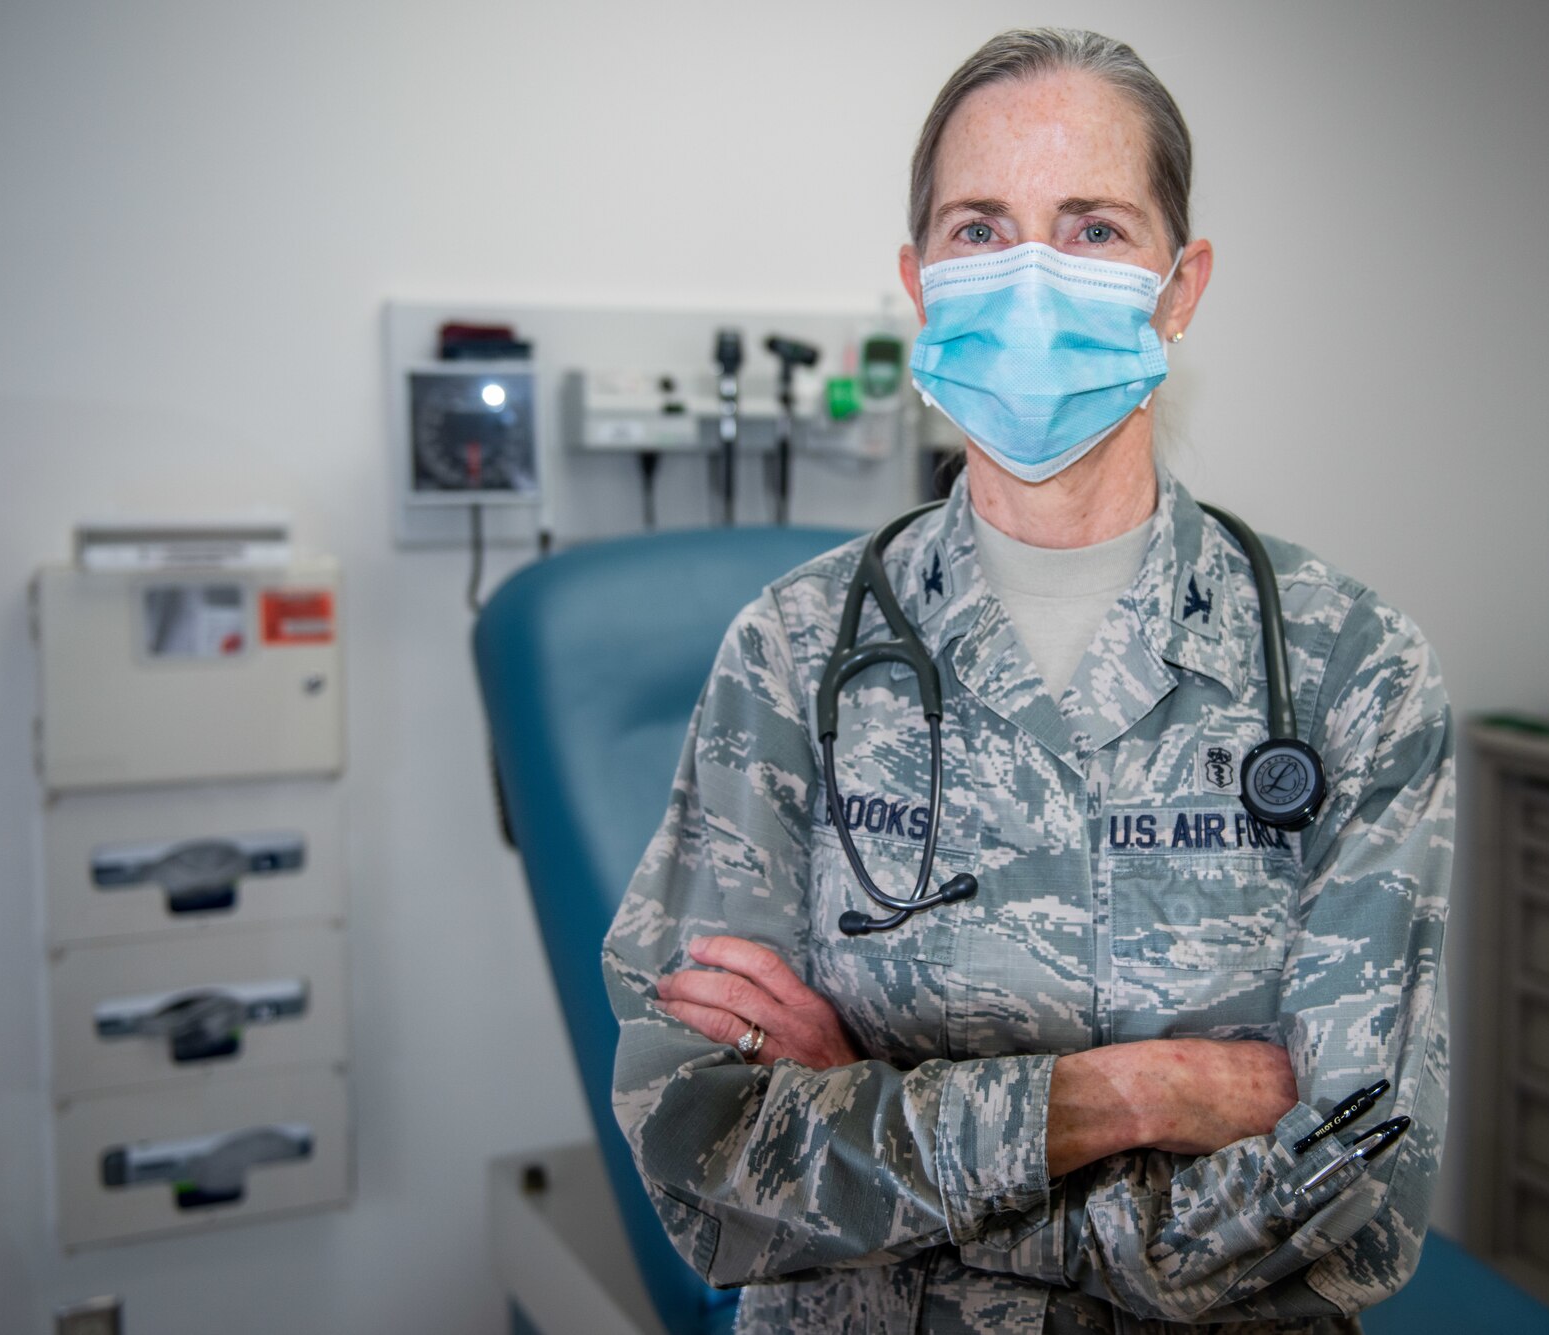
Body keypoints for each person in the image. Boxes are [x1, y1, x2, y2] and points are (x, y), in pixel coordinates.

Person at [603, 27, 1451, 1334]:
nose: (1034, 279)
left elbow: (1358, 1201)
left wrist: (881, 1118)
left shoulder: (1352, 673)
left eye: (1096, 228)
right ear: (919, 280)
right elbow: (707, 1151)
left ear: (1181, 287)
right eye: (982, 228)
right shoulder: (791, 655)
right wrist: (1145, 1098)